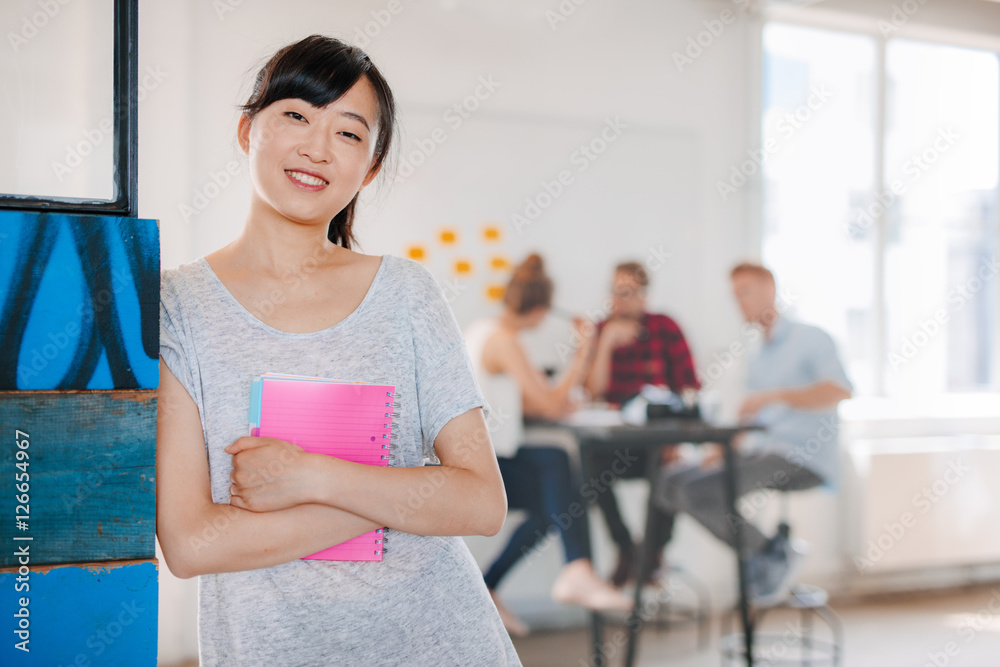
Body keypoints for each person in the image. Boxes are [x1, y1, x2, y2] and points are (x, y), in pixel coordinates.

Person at [156, 35, 522, 665]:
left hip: (442, 642)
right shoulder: (177, 306)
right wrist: (406, 498)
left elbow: (482, 502)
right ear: (248, 131)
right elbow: (192, 544)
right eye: (296, 115)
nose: (317, 148)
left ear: (369, 168)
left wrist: (312, 476)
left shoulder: (406, 294)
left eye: (350, 134)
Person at [654, 262, 852, 605]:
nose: (739, 303)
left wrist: (774, 395)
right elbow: (756, 421)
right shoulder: (759, 355)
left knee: (699, 493)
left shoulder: (811, 338)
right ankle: (762, 555)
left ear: (770, 289)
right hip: (761, 449)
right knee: (670, 482)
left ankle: (771, 554)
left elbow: (839, 391)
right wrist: (723, 448)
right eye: (735, 296)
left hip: (801, 456)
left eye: (745, 292)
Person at [463, 254, 634, 637]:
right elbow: (552, 404)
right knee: (557, 463)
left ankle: (488, 588)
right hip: (483, 463)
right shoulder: (505, 340)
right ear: (540, 309)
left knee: (552, 505)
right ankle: (578, 569)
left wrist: (550, 397)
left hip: (487, 454)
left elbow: (514, 399)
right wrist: (584, 347)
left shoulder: (482, 330)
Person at [583, 261, 701, 587]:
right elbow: (593, 392)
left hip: (659, 442)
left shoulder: (665, 328)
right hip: (616, 445)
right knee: (587, 466)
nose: (618, 300)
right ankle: (626, 549)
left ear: (644, 296)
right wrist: (605, 342)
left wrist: (676, 440)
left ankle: (651, 555)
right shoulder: (601, 328)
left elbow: (690, 388)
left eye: (627, 292)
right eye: (614, 292)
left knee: (669, 472)